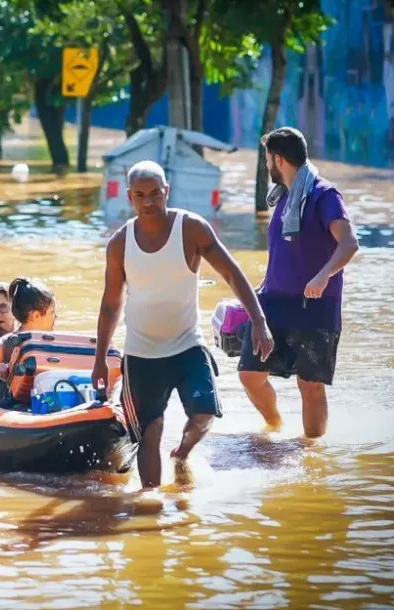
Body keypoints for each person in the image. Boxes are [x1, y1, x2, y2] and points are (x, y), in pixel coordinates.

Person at [92, 161, 275, 489]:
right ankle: (151, 505)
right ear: (130, 198)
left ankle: (182, 453)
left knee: (204, 414)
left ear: (167, 192)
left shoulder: (191, 228)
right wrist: (100, 360)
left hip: (187, 346)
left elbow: (231, 273)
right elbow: (110, 304)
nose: (148, 202)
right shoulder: (120, 243)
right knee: (149, 433)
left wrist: (259, 320)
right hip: (141, 355)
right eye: (140, 195)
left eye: (155, 194)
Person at [238, 127, 359, 438]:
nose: (266, 166)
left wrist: (323, 275)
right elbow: (285, 253)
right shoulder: (284, 197)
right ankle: (274, 425)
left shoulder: (324, 194)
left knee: (310, 385)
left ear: (278, 159)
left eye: (267, 160)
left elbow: (349, 244)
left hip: (314, 307)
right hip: (275, 304)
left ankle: (311, 454)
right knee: (250, 374)